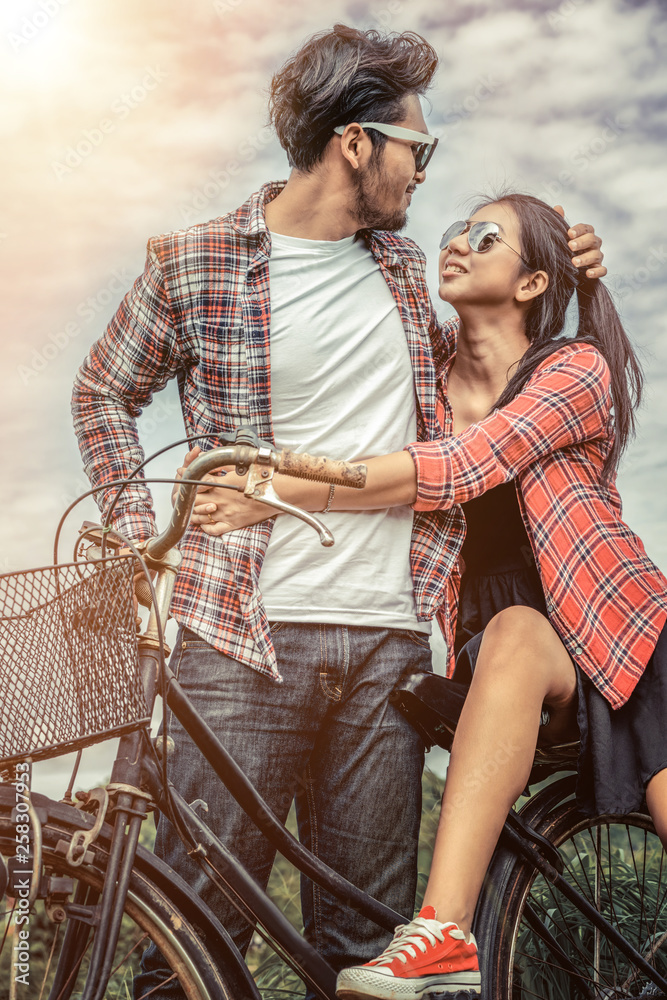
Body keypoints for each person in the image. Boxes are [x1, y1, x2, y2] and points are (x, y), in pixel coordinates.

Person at [71, 23, 605, 998]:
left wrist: (575, 276)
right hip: (236, 642)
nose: (421, 172)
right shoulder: (191, 264)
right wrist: (132, 528)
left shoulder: (405, 273)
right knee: (189, 930)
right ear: (356, 143)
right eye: (416, 147)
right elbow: (103, 389)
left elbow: (500, 358)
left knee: (365, 950)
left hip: (388, 652)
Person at [195, 192, 667, 1000]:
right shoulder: (426, 373)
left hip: (616, 628)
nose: (457, 244)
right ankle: (443, 937)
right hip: (512, 644)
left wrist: (280, 484)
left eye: (486, 238)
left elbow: (457, 471)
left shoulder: (572, 369)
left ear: (529, 284)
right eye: (455, 230)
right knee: (514, 634)